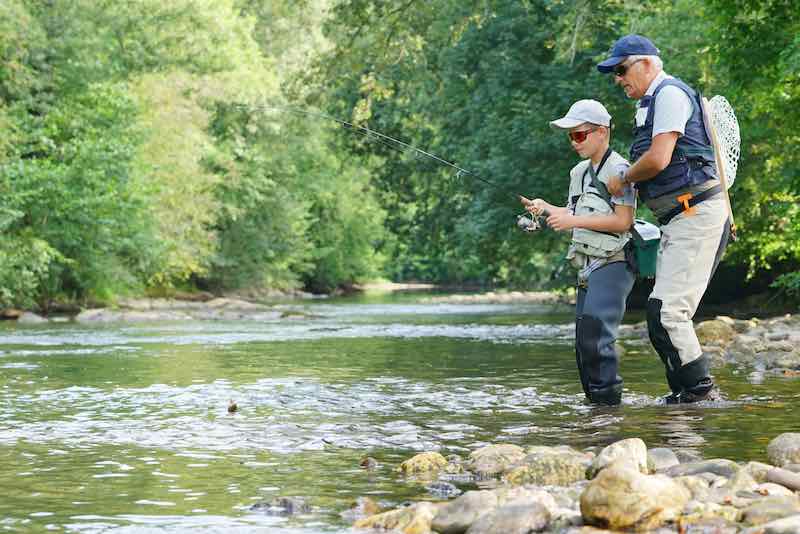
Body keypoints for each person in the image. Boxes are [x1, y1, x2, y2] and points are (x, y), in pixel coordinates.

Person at [597, 34, 730, 404]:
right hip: (678, 218)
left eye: (621, 70)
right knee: (660, 314)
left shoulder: (669, 95)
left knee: (667, 312)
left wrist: (622, 178)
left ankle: (699, 394)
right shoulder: (650, 104)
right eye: (614, 74)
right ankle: (685, 396)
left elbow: (657, 160)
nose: (618, 79)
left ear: (646, 64)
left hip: (696, 214)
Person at [521, 99, 636, 405]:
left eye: (579, 135)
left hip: (614, 263)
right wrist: (546, 208)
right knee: (583, 345)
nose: (573, 142)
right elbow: (572, 211)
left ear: (602, 132)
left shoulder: (621, 170)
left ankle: (609, 413)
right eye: (570, 136)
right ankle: (594, 412)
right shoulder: (578, 172)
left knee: (598, 340)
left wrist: (572, 220)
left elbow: (623, 221)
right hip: (586, 267)